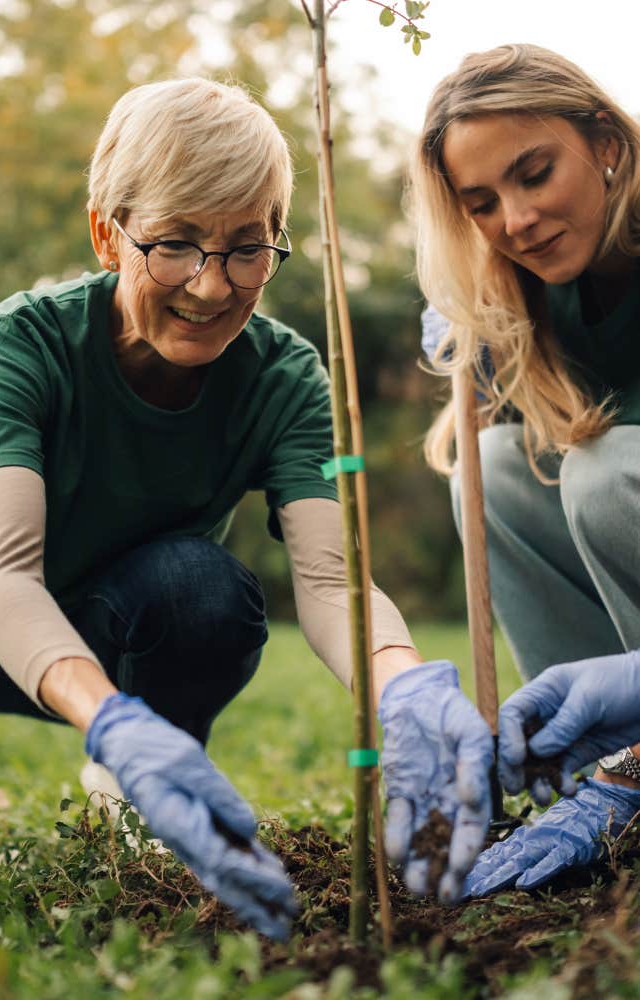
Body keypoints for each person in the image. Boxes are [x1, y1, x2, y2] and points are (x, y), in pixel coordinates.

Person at [0, 76, 492, 934]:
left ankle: (135, 784)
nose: (210, 285)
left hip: (127, 639)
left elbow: (333, 580)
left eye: (246, 248)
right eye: (175, 244)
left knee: (206, 583)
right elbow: (4, 579)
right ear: (106, 234)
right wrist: (112, 721)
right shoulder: (23, 344)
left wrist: (408, 692)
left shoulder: (284, 376)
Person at [412, 43, 640, 895]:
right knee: (497, 470)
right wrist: (481, 354)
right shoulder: (538, 287)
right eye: (481, 203)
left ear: (607, 143)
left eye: (534, 174)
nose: (516, 220)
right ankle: (599, 760)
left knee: (604, 470)